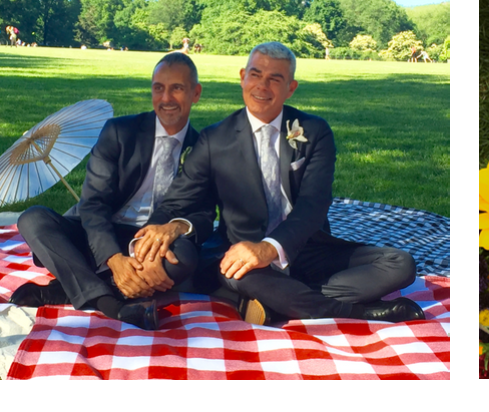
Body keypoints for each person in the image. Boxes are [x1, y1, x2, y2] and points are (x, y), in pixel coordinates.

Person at [137, 42, 423, 325]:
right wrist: (155, 233)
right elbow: (180, 199)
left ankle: (276, 300)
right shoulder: (214, 139)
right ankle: (358, 312)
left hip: (306, 249)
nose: (262, 86)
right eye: (256, 74)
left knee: (400, 265)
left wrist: (271, 248)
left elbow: (314, 205)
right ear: (242, 77)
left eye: (275, 79)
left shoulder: (314, 131)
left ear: (291, 88)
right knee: (235, 272)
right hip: (241, 252)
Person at [13, 53, 209, 330]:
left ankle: (63, 290)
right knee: (33, 219)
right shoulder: (119, 132)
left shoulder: (203, 148)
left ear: (195, 93)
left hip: (152, 243)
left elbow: (203, 215)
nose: (166, 98)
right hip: (98, 233)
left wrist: (176, 227)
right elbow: (93, 205)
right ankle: (111, 304)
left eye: (177, 88)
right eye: (158, 88)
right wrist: (115, 260)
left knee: (184, 258)